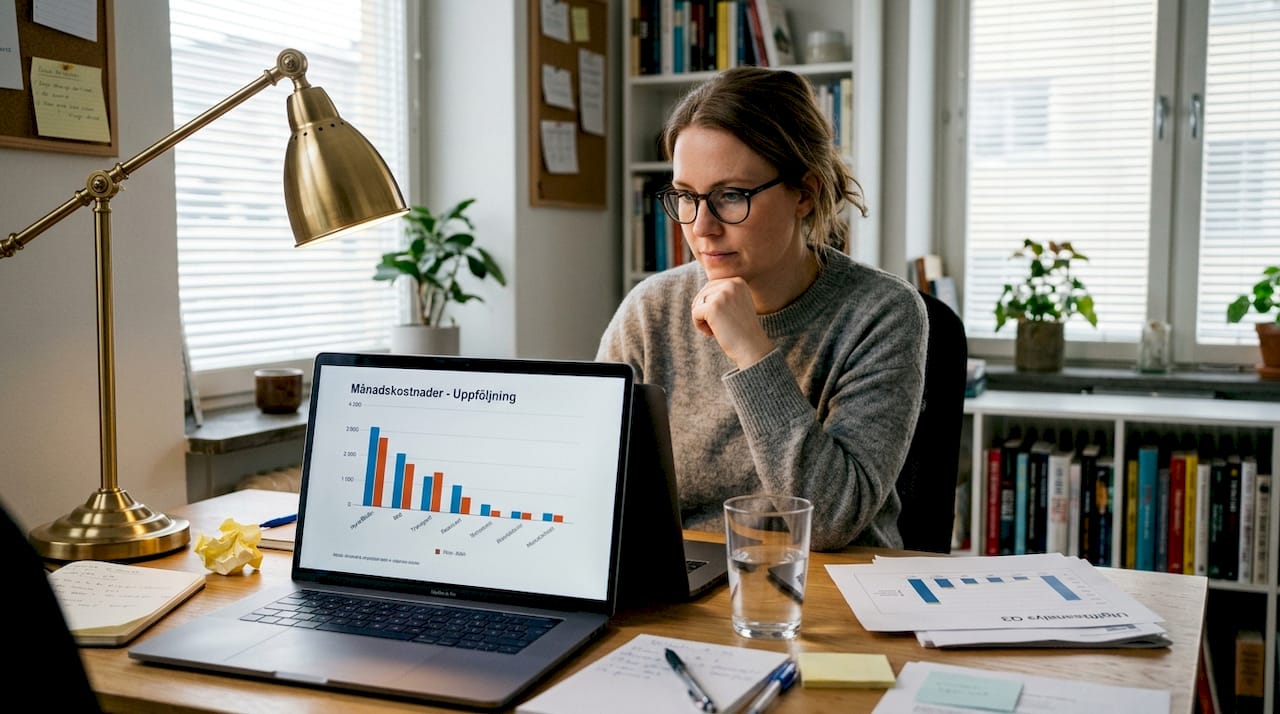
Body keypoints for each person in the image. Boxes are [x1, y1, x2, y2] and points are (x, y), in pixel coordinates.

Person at [596, 67, 927, 551]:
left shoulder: (883, 313)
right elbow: (595, 484)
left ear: (805, 193)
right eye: (686, 197)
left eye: (731, 196)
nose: (701, 227)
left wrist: (752, 353)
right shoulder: (651, 310)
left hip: (828, 581)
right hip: (685, 574)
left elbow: (831, 522)